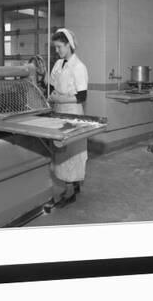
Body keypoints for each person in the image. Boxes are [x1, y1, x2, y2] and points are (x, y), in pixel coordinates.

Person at [47, 28, 89, 207]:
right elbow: (51, 85)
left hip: (72, 112)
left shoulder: (79, 67)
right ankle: (72, 184)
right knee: (61, 151)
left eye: (59, 47)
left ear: (69, 45)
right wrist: (52, 95)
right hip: (58, 111)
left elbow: (82, 96)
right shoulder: (58, 64)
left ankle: (70, 190)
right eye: (55, 47)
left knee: (72, 151)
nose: (57, 51)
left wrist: (60, 98)